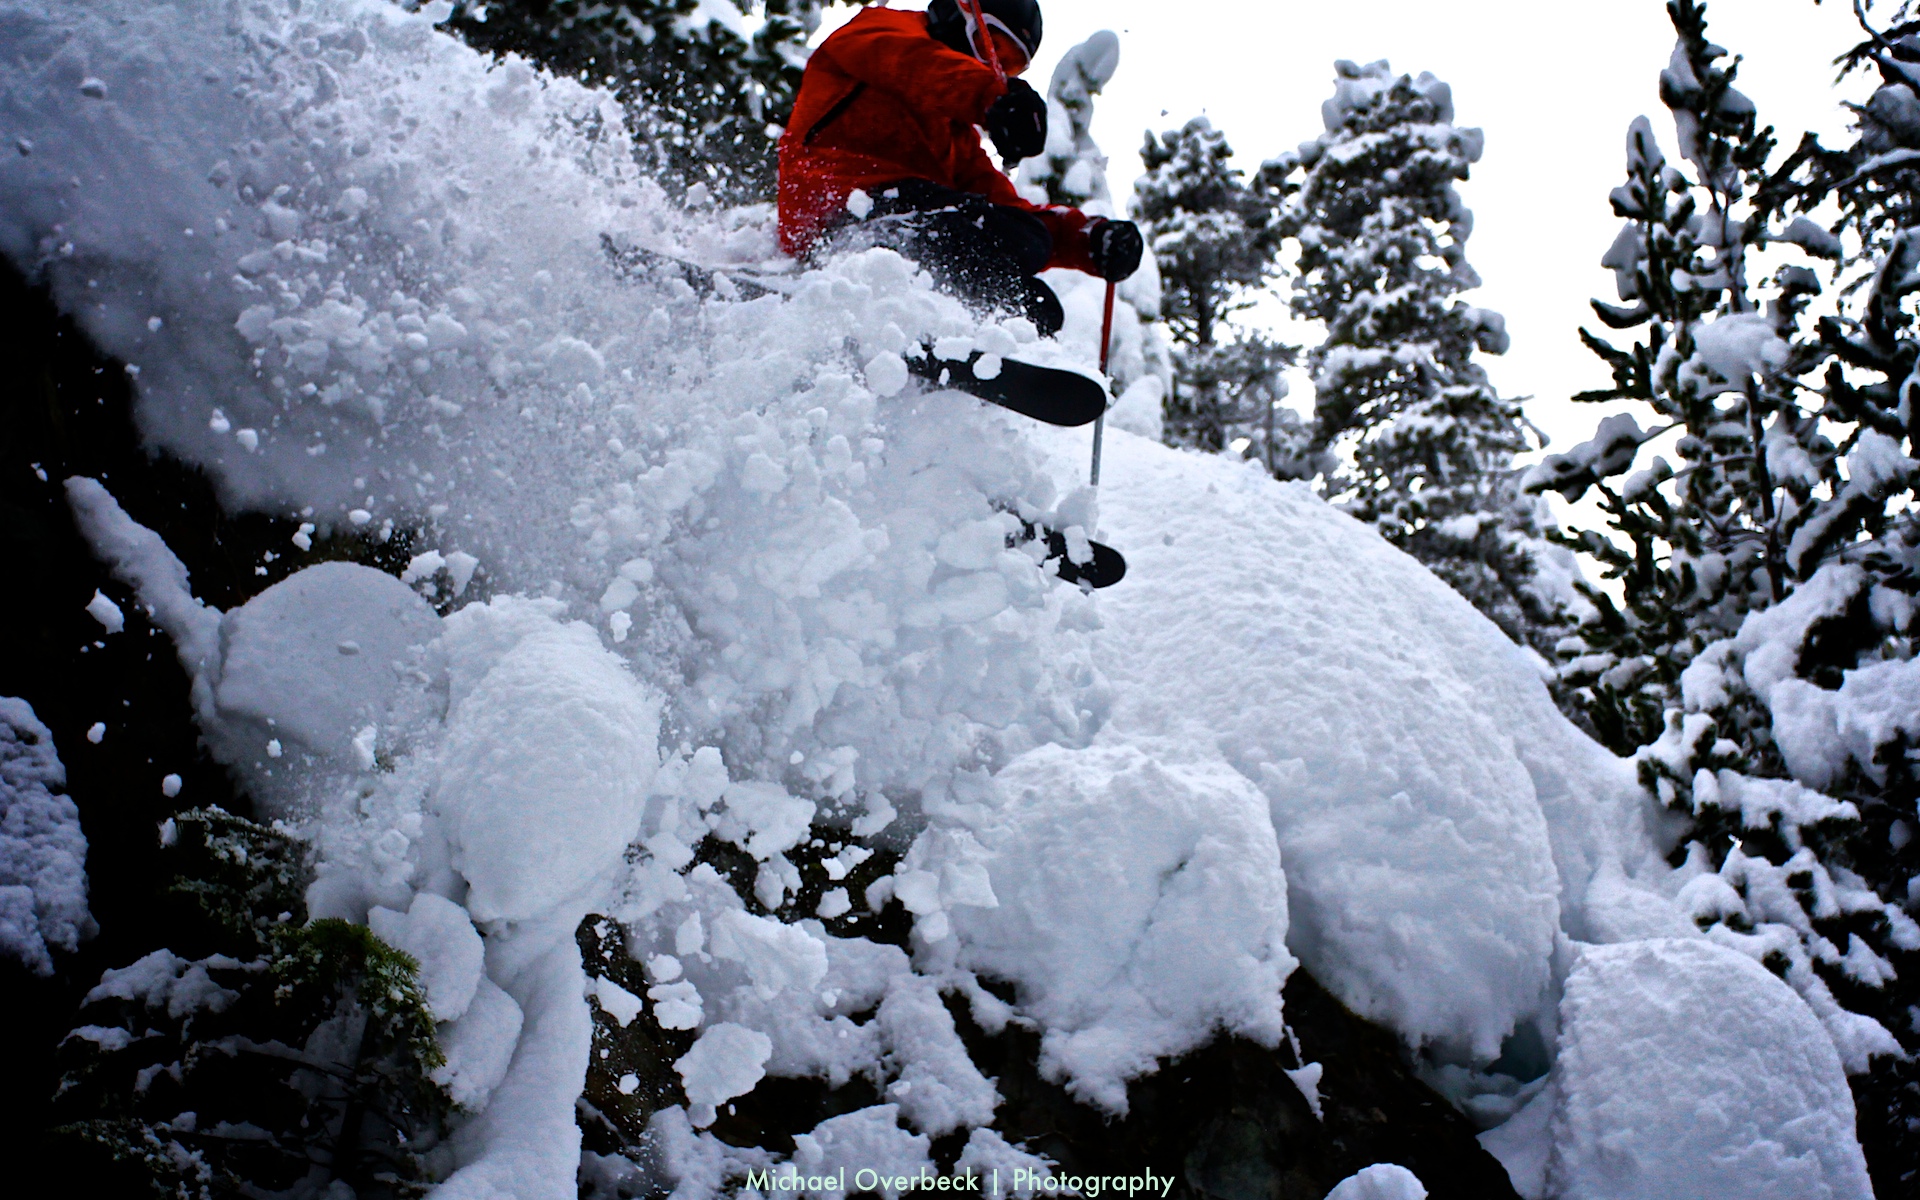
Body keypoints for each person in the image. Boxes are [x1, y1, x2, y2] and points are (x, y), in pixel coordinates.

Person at [776, 0, 1143, 338]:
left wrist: (1086, 239)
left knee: (1033, 291)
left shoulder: (954, 136)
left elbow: (1008, 209)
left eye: (1009, 66)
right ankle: (893, 265)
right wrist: (991, 97)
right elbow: (912, 63)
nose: (991, 68)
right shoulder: (881, 30)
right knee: (982, 232)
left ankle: (951, 342)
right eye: (992, 50)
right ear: (960, 14)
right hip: (835, 214)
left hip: (915, 218)